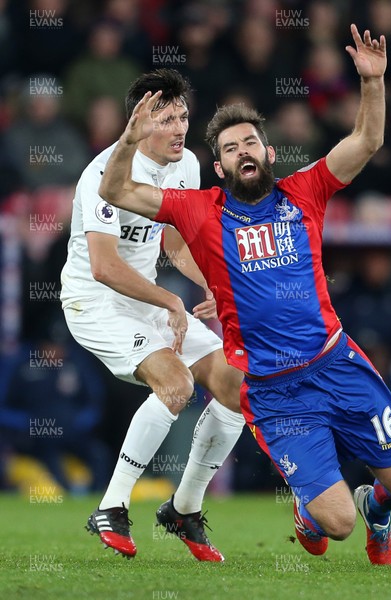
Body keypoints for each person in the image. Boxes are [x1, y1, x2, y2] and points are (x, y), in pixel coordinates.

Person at [99, 26, 391, 565]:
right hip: (277, 394)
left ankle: (379, 509)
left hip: (337, 362)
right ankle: (314, 510)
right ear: (220, 167)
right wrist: (130, 139)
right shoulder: (199, 210)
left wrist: (373, 82)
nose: (242, 151)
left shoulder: (306, 191)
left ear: (268, 153)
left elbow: (367, 141)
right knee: (335, 527)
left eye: (250, 141)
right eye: (230, 148)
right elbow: (115, 191)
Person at [60, 69, 245, 561]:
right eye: (165, 118)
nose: (180, 127)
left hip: (146, 299)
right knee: (177, 383)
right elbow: (104, 266)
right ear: (138, 122)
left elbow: (174, 240)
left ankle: (184, 509)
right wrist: (171, 300)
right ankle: (112, 506)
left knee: (234, 382)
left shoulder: (186, 165)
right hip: (93, 303)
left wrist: (211, 284)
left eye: (183, 115)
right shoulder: (103, 174)